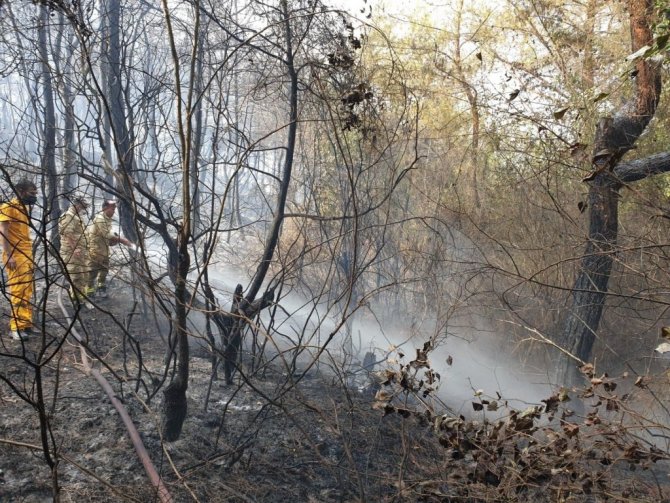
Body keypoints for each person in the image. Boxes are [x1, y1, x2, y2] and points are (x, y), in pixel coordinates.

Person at [0, 179, 38, 341]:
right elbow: (3, 231)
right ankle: (16, 327)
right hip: (15, 255)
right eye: (32, 193)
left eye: (35, 193)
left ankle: (26, 323)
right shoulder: (8, 207)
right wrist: (9, 255)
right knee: (18, 290)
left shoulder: (24, 207)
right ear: (20, 191)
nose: (34, 196)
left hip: (26, 254)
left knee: (27, 290)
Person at [86, 199, 131, 298]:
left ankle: (101, 288)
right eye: (112, 209)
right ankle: (89, 292)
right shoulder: (100, 219)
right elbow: (106, 234)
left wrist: (112, 241)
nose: (114, 211)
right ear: (105, 208)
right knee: (92, 271)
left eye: (114, 209)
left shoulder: (107, 219)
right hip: (96, 250)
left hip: (104, 249)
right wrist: (122, 240)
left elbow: (107, 235)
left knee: (104, 270)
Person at [58, 195, 89, 302]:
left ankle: (81, 298)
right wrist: (75, 248)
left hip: (80, 253)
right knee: (76, 276)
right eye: (83, 207)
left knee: (84, 275)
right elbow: (68, 234)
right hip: (71, 253)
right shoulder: (68, 216)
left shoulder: (77, 216)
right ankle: (77, 300)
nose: (83, 209)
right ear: (77, 205)